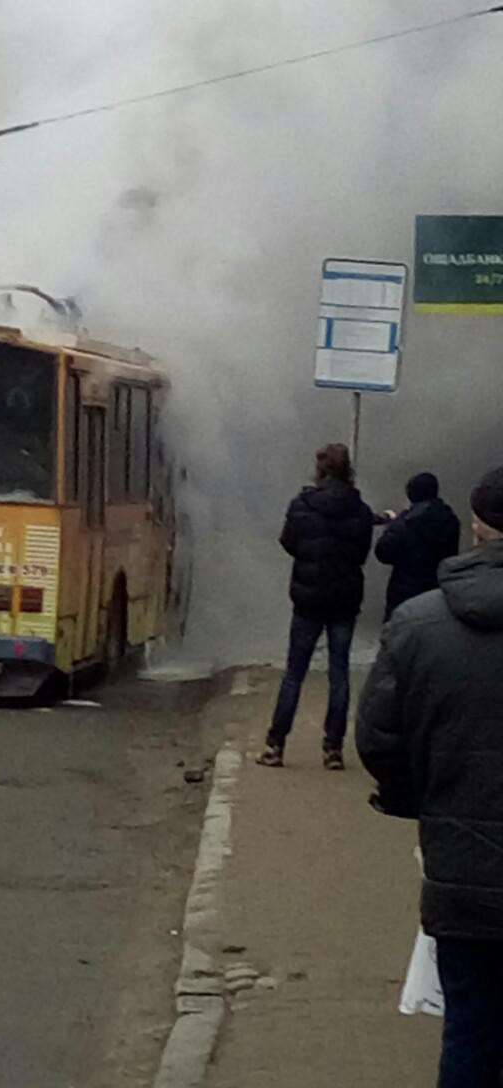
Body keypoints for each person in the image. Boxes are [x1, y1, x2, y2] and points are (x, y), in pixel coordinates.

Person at [357, 466, 503, 1088]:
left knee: (468, 1029)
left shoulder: (418, 624)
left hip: (461, 873)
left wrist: (420, 800)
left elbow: (378, 738)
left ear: (477, 529)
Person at [258, 443, 374, 770]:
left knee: (295, 672)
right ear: (347, 469)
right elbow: (361, 554)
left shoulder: (301, 505)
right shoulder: (361, 510)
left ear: (320, 470)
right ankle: (333, 750)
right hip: (344, 600)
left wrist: (311, 556)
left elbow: (288, 542)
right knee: (339, 673)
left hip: (308, 599)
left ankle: (275, 746)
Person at [374, 472, 460, 620]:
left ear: (410, 494)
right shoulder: (450, 520)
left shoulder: (406, 524)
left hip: (404, 593)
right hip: (437, 592)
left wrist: (394, 524)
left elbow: (383, 552)